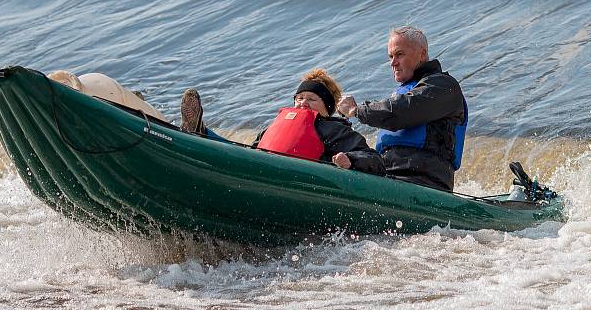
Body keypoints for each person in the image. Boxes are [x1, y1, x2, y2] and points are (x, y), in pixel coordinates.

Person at [180, 69, 385, 175]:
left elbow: (374, 159)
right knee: (241, 153)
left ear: (327, 108)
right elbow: (251, 152)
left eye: (312, 99)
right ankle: (201, 134)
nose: (303, 102)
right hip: (260, 169)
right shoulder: (277, 126)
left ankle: (202, 134)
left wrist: (350, 160)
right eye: (299, 98)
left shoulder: (334, 129)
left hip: (296, 180)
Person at [337, 26, 468, 191]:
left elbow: (399, 113)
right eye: (391, 56)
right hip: (387, 175)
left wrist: (356, 111)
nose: (393, 62)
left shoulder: (444, 87)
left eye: (399, 54)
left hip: (425, 182)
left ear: (422, 54)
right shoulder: (403, 92)